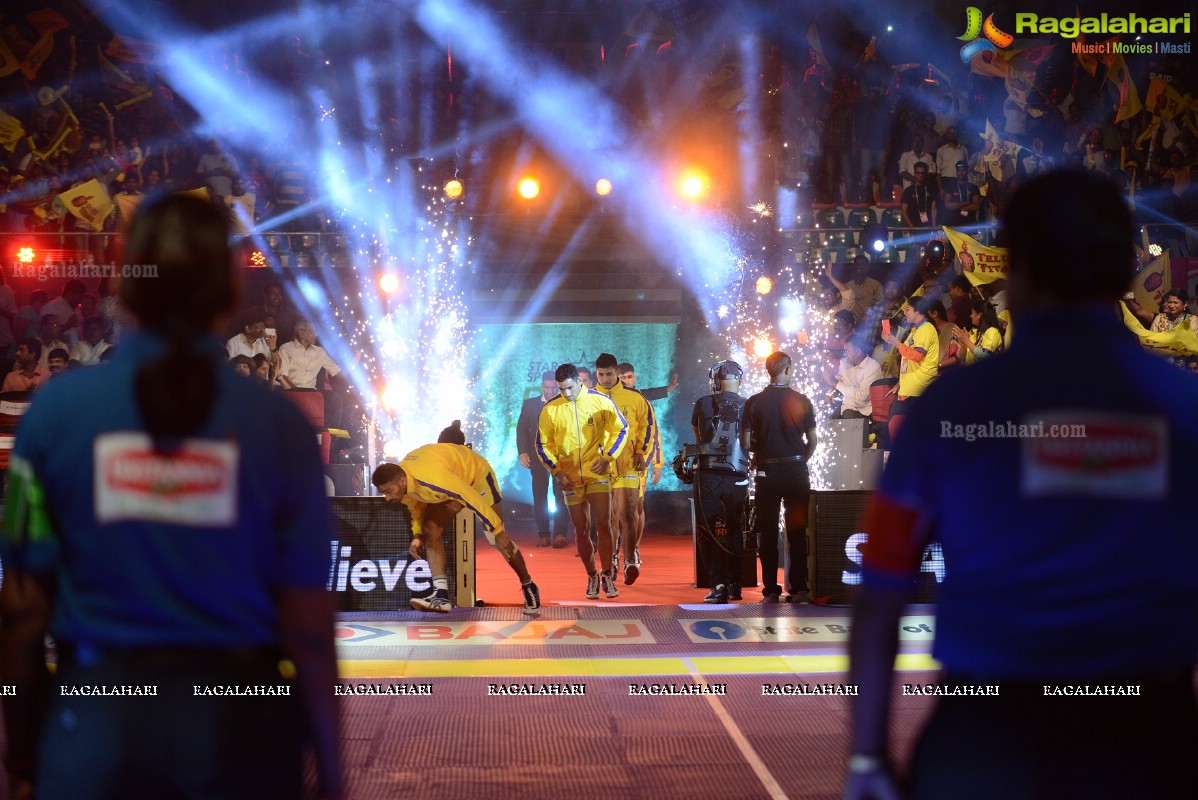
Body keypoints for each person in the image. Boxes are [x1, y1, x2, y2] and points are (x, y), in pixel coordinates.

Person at [844, 170, 1198, 800]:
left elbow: (881, 592)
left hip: (986, 740)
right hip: (1146, 739)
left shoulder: (945, 409)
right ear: (1123, 276)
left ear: (1016, 273)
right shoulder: (1184, 407)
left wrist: (868, 757)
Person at [0, 194, 341, 800]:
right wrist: (331, 773)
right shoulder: (280, 427)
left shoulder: (54, 415)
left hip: (97, 728)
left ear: (120, 284)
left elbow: (24, 610)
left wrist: (26, 761)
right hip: (242, 731)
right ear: (232, 293)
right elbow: (310, 626)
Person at [370, 445, 540, 614]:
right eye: (384, 493)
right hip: (454, 479)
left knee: (494, 537)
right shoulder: (405, 484)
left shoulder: (433, 479)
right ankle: (441, 595)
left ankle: (528, 585)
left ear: (401, 481)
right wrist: (417, 534)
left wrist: (497, 531)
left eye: (388, 491)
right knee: (430, 530)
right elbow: (416, 506)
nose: (387, 498)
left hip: (476, 476)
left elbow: (469, 496)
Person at [536, 363, 628, 600]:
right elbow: (542, 445)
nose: (566, 393)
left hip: (597, 472)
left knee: (604, 525)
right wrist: (556, 471)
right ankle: (592, 576)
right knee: (581, 529)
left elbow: (621, 429)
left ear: (579, 381)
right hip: (570, 478)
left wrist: (608, 458)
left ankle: (607, 573)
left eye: (569, 388)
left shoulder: (599, 401)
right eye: (561, 389)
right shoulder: (551, 409)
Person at [741, 352, 819, 604]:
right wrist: (799, 459)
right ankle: (799, 590)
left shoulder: (754, 402)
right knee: (797, 531)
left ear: (768, 371)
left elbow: (744, 442)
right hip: (796, 473)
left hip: (767, 473)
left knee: (768, 532)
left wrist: (761, 450)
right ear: (788, 369)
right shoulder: (803, 400)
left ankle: (771, 591)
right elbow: (813, 441)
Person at [691, 361, 750, 603]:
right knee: (737, 528)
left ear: (715, 380)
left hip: (709, 474)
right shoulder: (749, 405)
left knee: (707, 531)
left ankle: (718, 585)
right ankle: (736, 584)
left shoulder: (703, 403)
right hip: (739, 475)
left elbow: (698, 436)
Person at [593, 353, 653, 584]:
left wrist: (641, 453)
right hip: (599, 468)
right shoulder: (589, 398)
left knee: (627, 513)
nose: (605, 378)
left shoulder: (635, 398)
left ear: (617, 372)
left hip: (628, 464)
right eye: (601, 374)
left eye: (609, 374)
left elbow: (647, 427)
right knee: (607, 520)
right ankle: (611, 562)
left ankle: (630, 560)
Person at [516, 371, 567, 548]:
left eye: (554, 387)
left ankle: (560, 534)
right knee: (540, 495)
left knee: (561, 495)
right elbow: (522, 429)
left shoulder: (566, 403)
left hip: (561, 457)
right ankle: (544, 534)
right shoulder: (530, 405)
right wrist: (522, 452)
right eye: (547, 387)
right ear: (542, 386)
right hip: (537, 456)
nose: (551, 390)